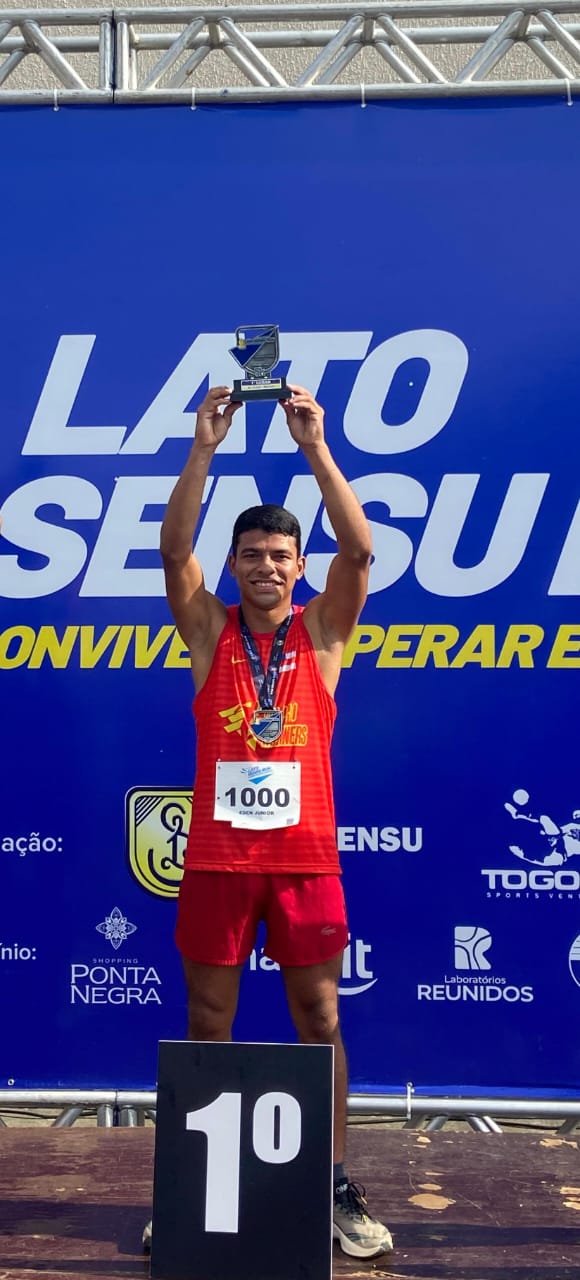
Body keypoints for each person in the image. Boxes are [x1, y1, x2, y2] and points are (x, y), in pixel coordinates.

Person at [148, 384, 392, 1260]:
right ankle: (187, 1182)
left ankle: (326, 1183)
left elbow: (360, 553)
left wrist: (317, 449)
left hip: (303, 861)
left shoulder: (324, 634)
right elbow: (175, 551)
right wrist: (203, 448)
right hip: (217, 861)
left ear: (297, 566)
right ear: (237, 563)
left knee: (318, 1019)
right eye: (250, 553)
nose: (264, 566)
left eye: (280, 555)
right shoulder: (210, 633)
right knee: (208, 1021)